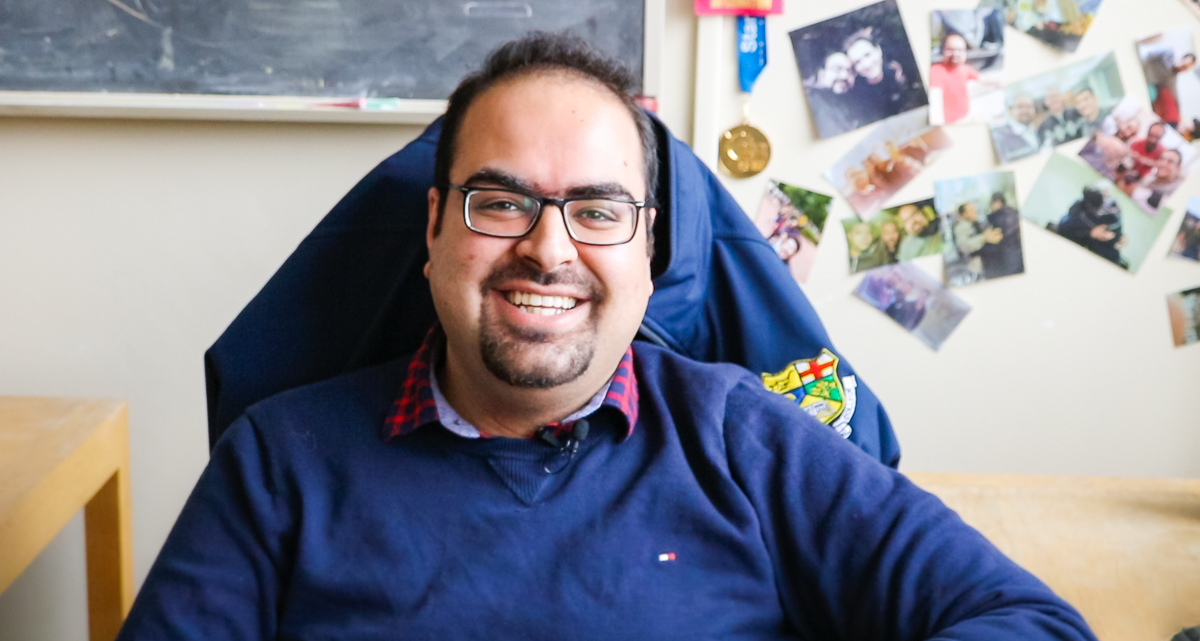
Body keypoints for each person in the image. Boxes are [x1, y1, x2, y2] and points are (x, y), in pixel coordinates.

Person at [115, 33, 1096, 640]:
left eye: (596, 210)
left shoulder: (746, 440)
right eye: (501, 202)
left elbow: (1030, 621)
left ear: (649, 247)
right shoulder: (279, 458)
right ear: (432, 229)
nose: (548, 250)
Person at [843, 27, 925, 124]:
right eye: (857, 62)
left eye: (867, 55)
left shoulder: (898, 72)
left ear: (878, 50)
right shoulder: (857, 97)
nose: (866, 64)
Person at [1057, 184, 1127, 268]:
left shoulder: (1113, 210)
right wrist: (1090, 233)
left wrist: (1120, 237)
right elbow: (1064, 225)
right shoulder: (1080, 206)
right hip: (1075, 244)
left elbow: (1117, 230)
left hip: (1103, 250)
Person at [929, 31, 979, 124]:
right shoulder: (937, 70)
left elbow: (981, 78)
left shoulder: (964, 68)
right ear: (942, 51)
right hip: (952, 123)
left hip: (967, 116)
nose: (955, 53)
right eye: (950, 49)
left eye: (960, 50)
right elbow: (935, 101)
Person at [949, 201, 1003, 283]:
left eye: (974, 209)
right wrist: (984, 237)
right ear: (964, 215)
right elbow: (962, 245)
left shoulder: (972, 223)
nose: (975, 211)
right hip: (973, 269)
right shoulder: (961, 226)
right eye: (971, 210)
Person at [979, 192, 1025, 279]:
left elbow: (993, 241)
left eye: (991, 204)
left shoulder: (997, 219)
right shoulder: (1015, 213)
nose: (991, 207)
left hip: (1005, 262)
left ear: (997, 203)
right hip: (1017, 258)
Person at [1132, 147, 1185, 212]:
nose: (1163, 164)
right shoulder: (1151, 176)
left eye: (1170, 162)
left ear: (1178, 169)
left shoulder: (1176, 193)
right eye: (1162, 159)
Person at [992, 94, 1040, 162]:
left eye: (1029, 106)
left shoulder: (1037, 130)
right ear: (1011, 110)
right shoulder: (1000, 135)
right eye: (1020, 107)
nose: (1025, 110)